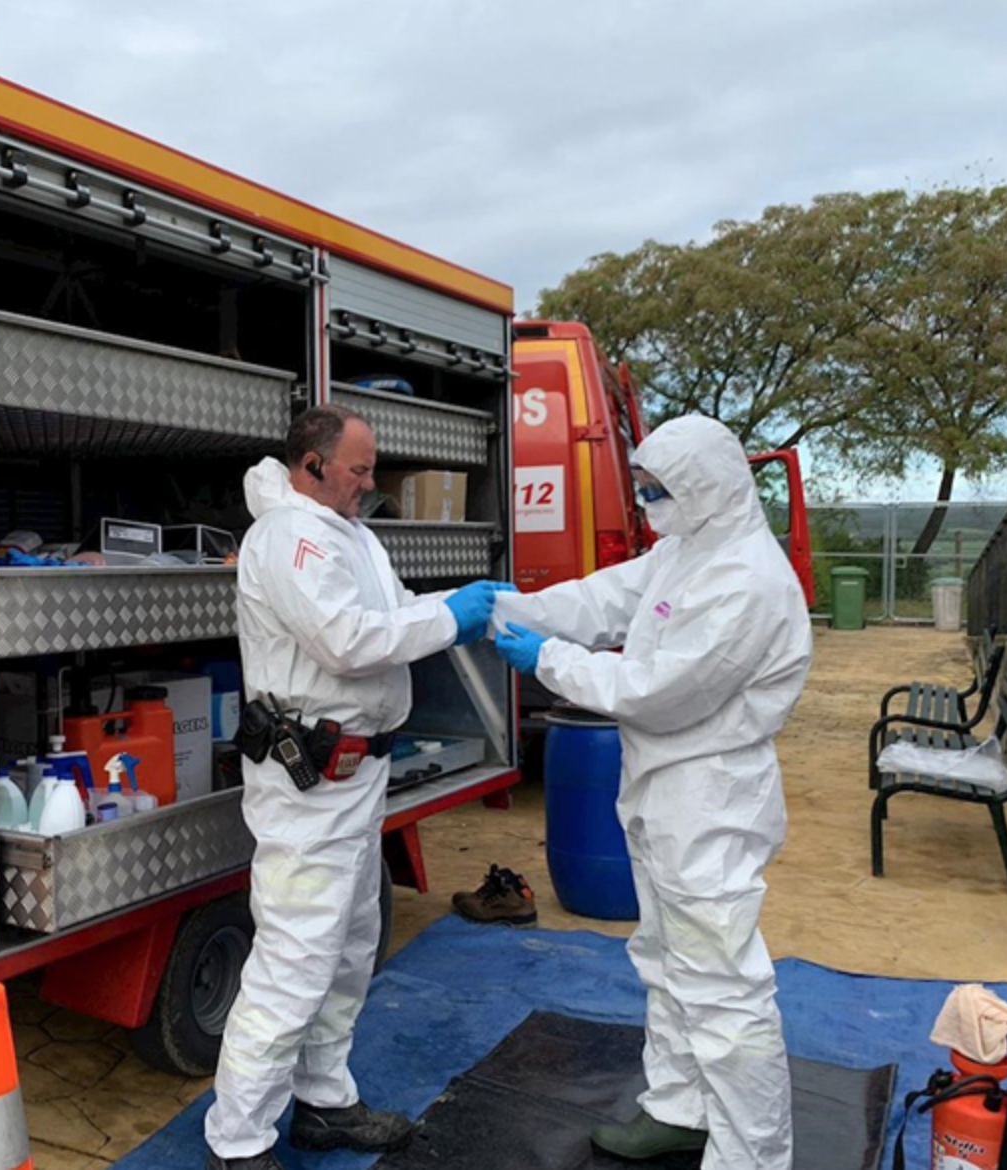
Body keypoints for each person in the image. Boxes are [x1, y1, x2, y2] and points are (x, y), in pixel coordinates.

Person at [490, 414, 812, 1170]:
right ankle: (680, 1106)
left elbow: (654, 690)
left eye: (657, 489)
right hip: (666, 788)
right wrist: (513, 606)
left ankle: (752, 1157)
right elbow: (607, 599)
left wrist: (548, 660)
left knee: (723, 988)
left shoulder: (748, 582)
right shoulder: (688, 551)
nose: (646, 502)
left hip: (713, 796)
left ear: (705, 487)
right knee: (667, 956)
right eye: (642, 488)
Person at [204, 404, 510, 1170]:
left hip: (355, 776)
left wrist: (448, 608)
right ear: (312, 466)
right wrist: (449, 621)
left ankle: (324, 1100)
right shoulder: (288, 537)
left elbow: (390, 614)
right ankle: (238, 1142)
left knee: (346, 947)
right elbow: (346, 641)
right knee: (296, 956)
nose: (372, 484)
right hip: (311, 783)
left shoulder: (352, 536)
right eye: (360, 470)